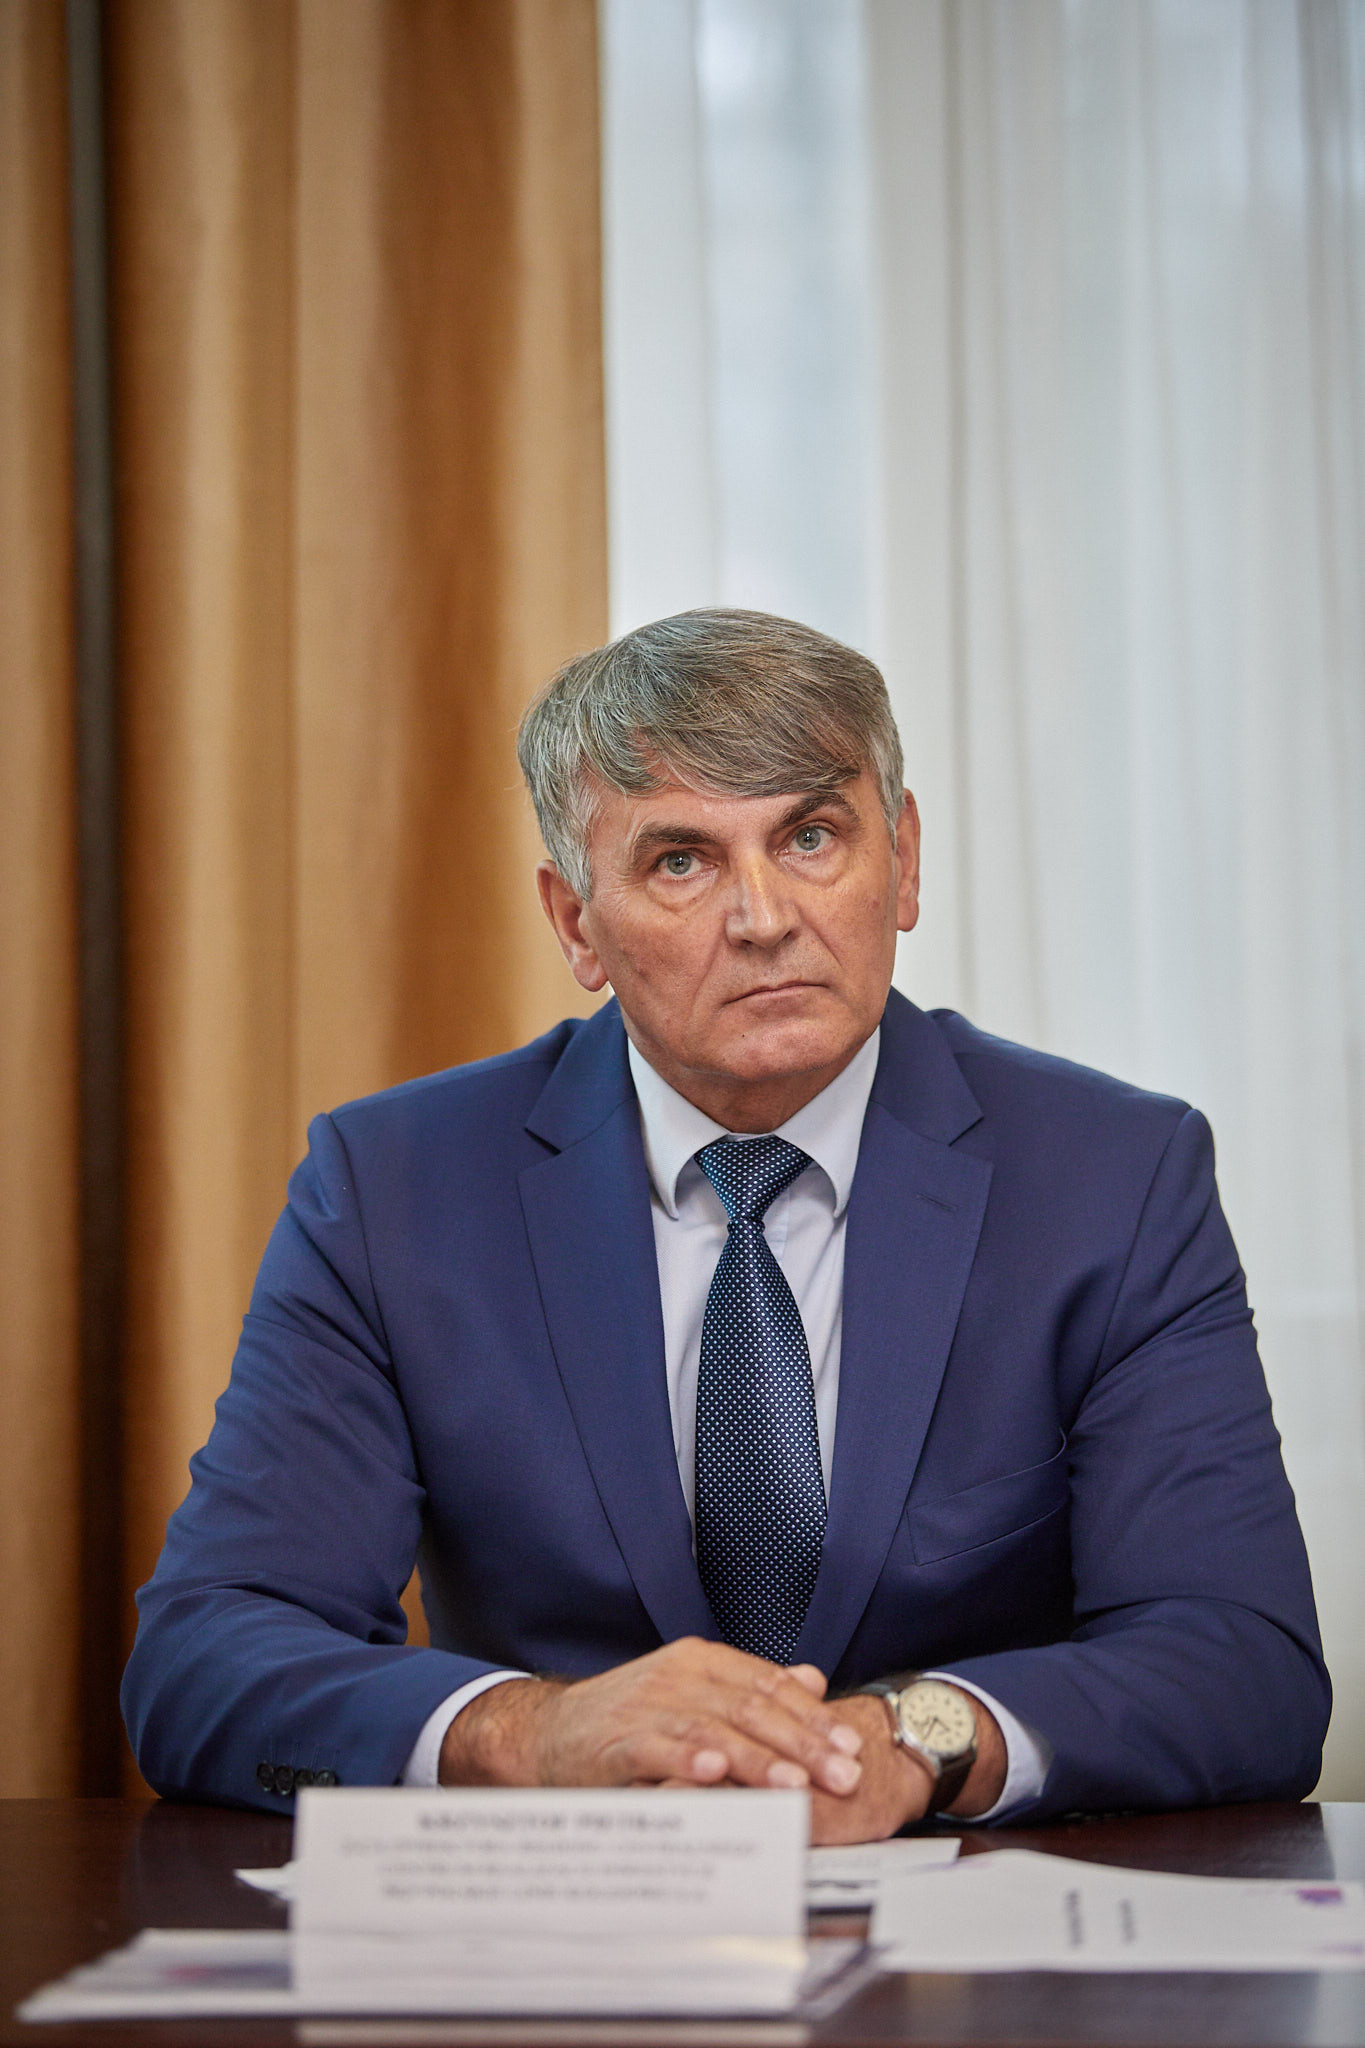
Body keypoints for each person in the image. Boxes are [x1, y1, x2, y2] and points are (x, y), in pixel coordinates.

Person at [122, 609, 1329, 1840]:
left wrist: (917, 1737)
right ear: (576, 922)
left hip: (968, 1923)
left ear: (904, 861)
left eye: (811, 836)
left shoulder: (1113, 1178)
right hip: (566, 1916)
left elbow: (1244, 1662)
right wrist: (533, 1733)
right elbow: (205, 1657)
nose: (763, 916)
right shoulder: (395, 1191)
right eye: (681, 862)